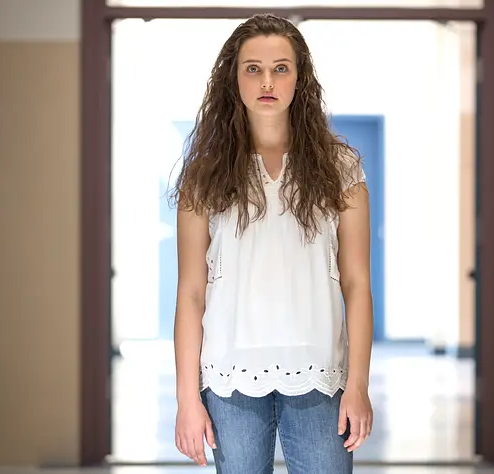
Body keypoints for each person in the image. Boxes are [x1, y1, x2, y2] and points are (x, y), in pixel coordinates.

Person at [169, 13, 374, 473]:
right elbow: (191, 293)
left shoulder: (341, 168)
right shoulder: (203, 175)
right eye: (253, 68)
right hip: (228, 382)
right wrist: (187, 399)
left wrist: (358, 384)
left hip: (321, 377)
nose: (267, 81)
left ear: (300, 79)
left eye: (281, 68)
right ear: (233, 78)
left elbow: (357, 284)